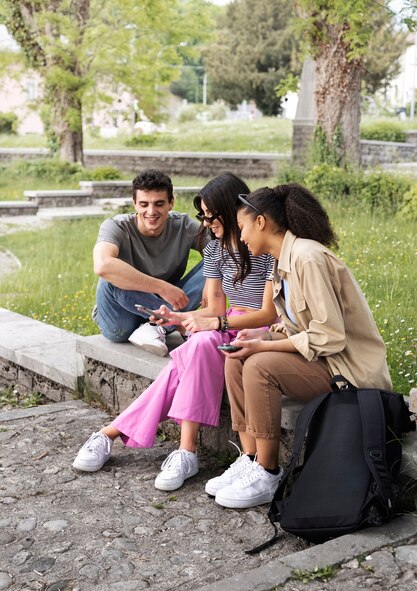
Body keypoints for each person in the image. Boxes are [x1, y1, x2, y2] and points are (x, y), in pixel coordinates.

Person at [73, 173, 278, 491]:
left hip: (256, 327)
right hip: (222, 323)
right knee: (200, 344)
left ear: (233, 210)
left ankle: (116, 434)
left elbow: (268, 313)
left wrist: (207, 321)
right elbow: (214, 309)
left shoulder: (266, 248)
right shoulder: (216, 249)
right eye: (203, 216)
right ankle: (185, 452)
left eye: (212, 215)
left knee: (189, 356)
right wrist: (178, 317)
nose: (207, 223)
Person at [207, 182, 392, 510]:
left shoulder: (307, 258)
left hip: (349, 372)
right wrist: (263, 337)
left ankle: (268, 471)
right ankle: (250, 458)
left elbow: (330, 336)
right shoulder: (283, 262)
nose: (242, 235)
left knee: (259, 366)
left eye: (244, 226)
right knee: (236, 357)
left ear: (261, 222)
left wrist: (264, 348)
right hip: (324, 362)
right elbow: (298, 325)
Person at [93, 168, 205, 356]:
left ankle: (158, 327)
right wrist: (162, 287)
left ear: (171, 203)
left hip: (162, 309)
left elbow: (225, 254)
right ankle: (179, 322)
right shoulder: (116, 226)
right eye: (144, 204)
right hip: (120, 322)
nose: (151, 212)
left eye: (159, 204)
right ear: (134, 204)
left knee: (218, 259)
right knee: (111, 275)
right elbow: (102, 265)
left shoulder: (183, 226)